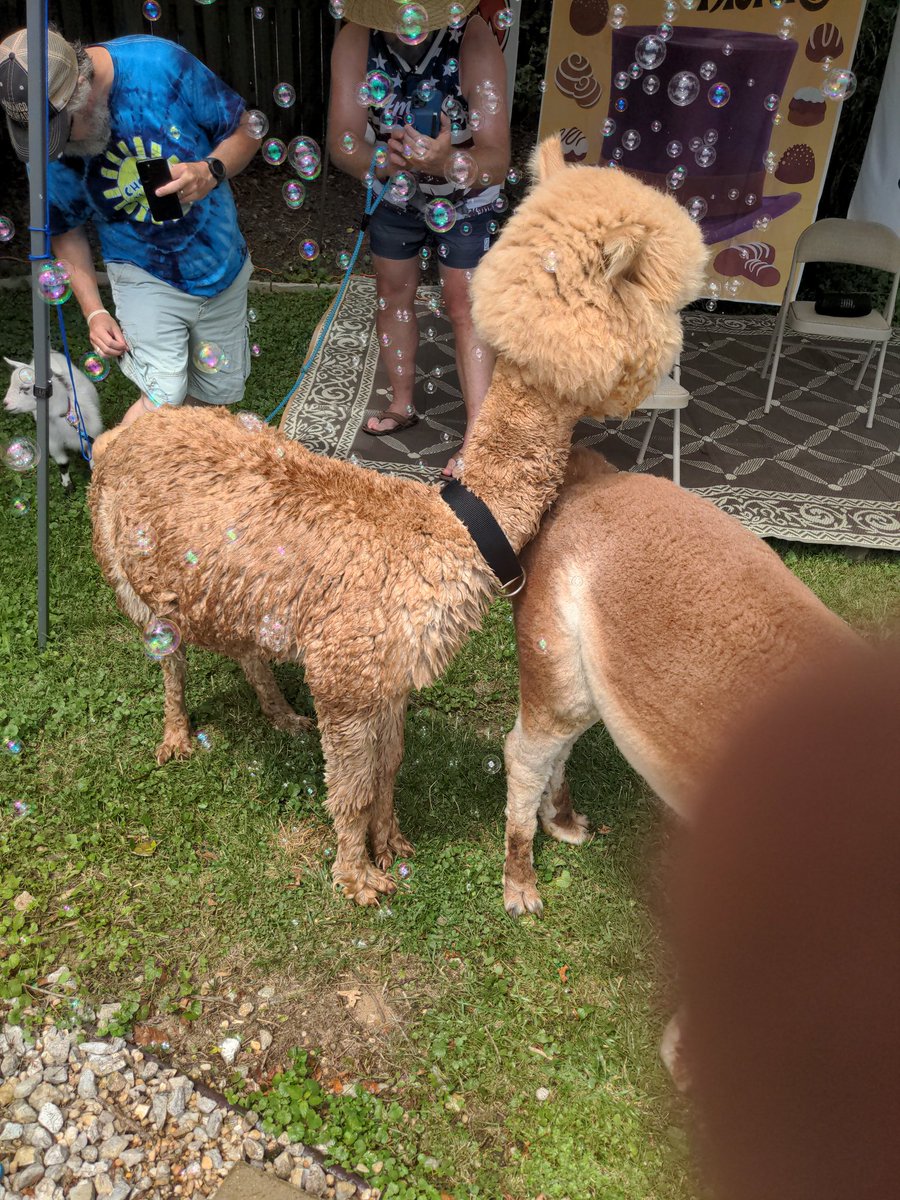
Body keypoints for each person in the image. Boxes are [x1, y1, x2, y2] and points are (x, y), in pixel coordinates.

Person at [0, 28, 259, 428]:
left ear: (82, 87)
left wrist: (210, 171)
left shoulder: (159, 66)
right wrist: (93, 311)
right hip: (140, 269)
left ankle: (174, 481)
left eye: (61, 131)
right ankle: (113, 473)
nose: (55, 148)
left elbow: (247, 129)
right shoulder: (46, 144)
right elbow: (65, 227)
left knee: (211, 402)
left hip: (221, 262)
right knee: (165, 394)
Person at [328, 0, 510, 476]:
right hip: (395, 190)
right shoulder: (355, 36)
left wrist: (446, 163)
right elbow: (343, 140)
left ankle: (477, 438)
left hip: (468, 194)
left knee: (464, 303)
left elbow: (497, 157)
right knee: (392, 292)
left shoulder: (473, 36)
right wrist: (381, 164)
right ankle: (401, 404)